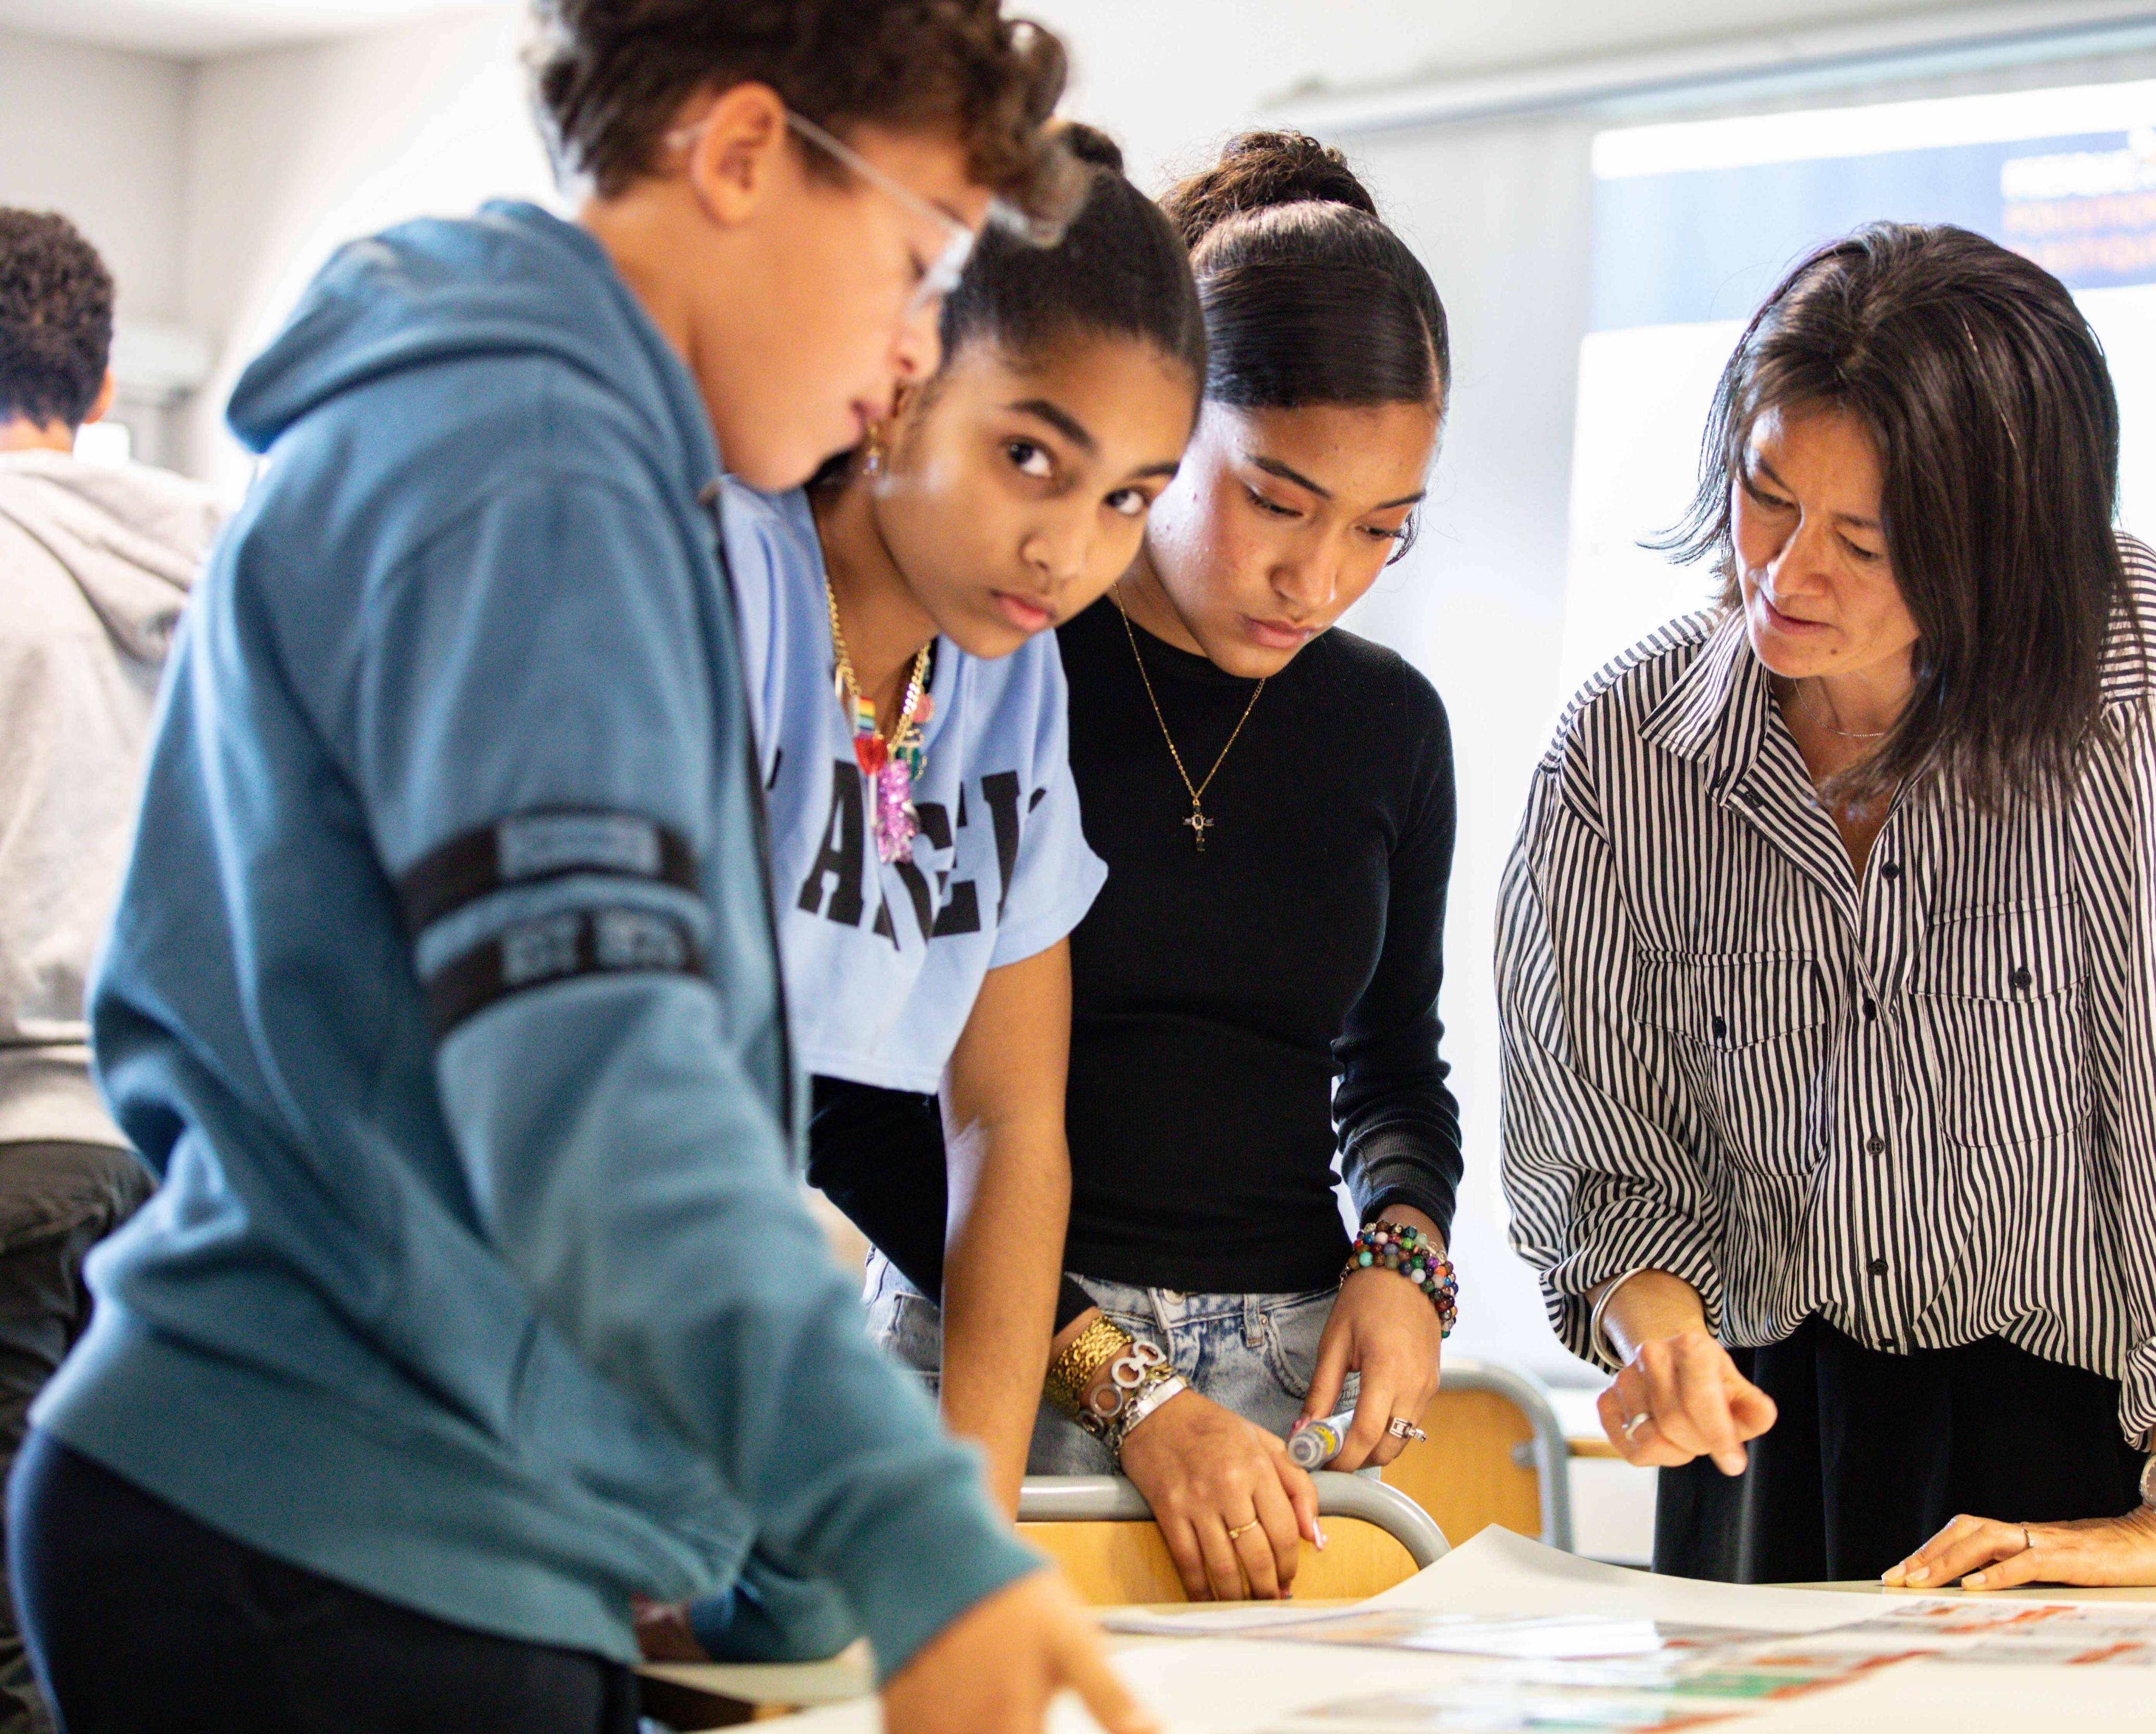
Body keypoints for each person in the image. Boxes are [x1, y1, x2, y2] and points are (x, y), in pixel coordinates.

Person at [5, 6, 1152, 1732]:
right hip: (330, 1531)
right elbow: (599, 1088)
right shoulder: (527, 472)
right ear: (746, 154)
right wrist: (911, 1524)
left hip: (357, 1503)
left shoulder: (555, 455)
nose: (914, 349)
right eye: (914, 261)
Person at [1498, 222, 2156, 1591]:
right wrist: (1666, 1339)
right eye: (1769, 498)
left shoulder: (2130, 692)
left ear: (1996, 550)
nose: (1786, 574)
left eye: (1866, 544)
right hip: (1775, 1434)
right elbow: (1608, 1153)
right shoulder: (1624, 749)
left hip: (2116, 1431)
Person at [826, 131, 1465, 1607]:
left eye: (1385, 530)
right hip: (977, 1340)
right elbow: (851, 1103)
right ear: (1175, 428)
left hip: (1283, 1400)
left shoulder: (1388, 725)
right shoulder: (996, 654)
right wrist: (1126, 1388)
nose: (1319, 579)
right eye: (1278, 502)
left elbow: (1392, 1068)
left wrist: (1406, 1258)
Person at [700, 121, 1200, 1597]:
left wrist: (970, 1546)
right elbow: (638, 1086)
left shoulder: (1006, 680)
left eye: (1128, 496)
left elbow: (1004, 1127)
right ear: (901, 371)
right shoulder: (724, 575)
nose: (1070, 550)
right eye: (1031, 455)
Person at [0, 209, 225, 1734]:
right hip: (192, 1177)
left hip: (14, 1160)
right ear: (91, 389)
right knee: (148, 1641)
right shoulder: (221, 566)